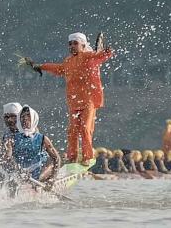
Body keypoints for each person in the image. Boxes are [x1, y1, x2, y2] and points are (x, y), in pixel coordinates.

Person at [30, 32, 114, 165]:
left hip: (88, 100)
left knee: (85, 128)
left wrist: (107, 52)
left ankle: (87, 157)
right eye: (70, 43)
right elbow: (58, 68)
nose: (72, 46)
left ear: (83, 45)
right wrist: (40, 66)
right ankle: (72, 157)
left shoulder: (87, 56)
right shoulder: (68, 61)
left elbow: (101, 56)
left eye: (75, 43)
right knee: (72, 130)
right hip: (74, 102)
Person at [3, 106, 61, 184]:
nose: (25, 119)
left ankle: (44, 181)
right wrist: (19, 170)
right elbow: (8, 157)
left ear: (34, 119)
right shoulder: (11, 139)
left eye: (28, 116)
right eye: (22, 116)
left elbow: (56, 159)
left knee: (49, 165)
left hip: (38, 174)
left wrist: (52, 179)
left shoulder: (43, 138)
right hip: (20, 173)